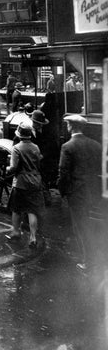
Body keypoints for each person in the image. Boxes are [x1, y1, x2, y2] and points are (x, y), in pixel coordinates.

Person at [57, 114, 102, 270]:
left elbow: (63, 173)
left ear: (71, 127)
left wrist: (62, 192)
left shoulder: (67, 147)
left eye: (68, 125)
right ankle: (96, 257)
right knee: (91, 225)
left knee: (81, 227)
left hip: (77, 193)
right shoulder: (96, 145)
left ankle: (88, 262)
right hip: (93, 191)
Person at [5, 119, 45, 249]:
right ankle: (33, 237)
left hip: (21, 183)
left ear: (19, 135)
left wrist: (7, 169)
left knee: (16, 209)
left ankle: (16, 232)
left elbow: (14, 168)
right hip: (35, 182)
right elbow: (39, 164)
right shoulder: (36, 147)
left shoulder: (16, 148)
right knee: (32, 211)